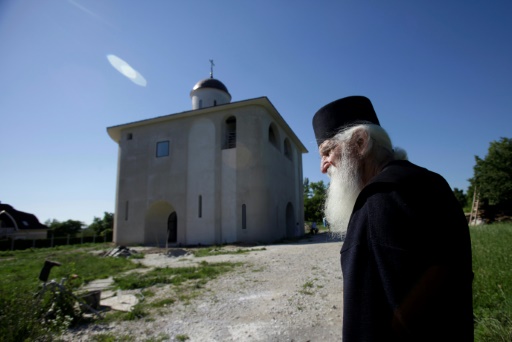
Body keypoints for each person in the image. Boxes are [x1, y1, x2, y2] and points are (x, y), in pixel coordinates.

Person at [312, 96, 473, 341]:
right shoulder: (434, 183)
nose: (323, 167)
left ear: (360, 142)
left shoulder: (375, 204)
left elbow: (364, 322)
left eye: (326, 151)